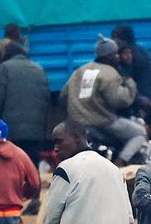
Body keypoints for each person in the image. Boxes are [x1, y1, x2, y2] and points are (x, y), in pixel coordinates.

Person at [62, 35, 145, 166]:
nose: (118, 57)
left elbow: (63, 95)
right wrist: (129, 83)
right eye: (115, 54)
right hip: (102, 122)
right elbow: (120, 101)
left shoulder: (79, 71)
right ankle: (120, 162)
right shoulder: (110, 73)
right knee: (139, 133)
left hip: (76, 121)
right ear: (109, 56)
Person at [0, 41, 51, 166]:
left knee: (11, 169)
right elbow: (46, 101)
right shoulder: (39, 69)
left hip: (11, 134)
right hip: (35, 134)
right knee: (31, 168)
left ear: (7, 56)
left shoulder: (5, 68)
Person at [112, 27, 151, 123]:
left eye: (115, 39)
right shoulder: (141, 50)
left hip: (143, 102)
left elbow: (126, 79)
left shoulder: (127, 54)